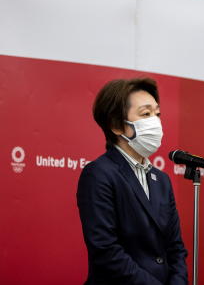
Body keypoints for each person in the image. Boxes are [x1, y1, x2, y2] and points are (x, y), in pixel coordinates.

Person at [77, 78, 188, 285]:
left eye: (157, 113)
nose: (155, 121)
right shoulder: (99, 174)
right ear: (117, 126)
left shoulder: (161, 179)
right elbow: (106, 251)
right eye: (146, 114)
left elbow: (175, 248)